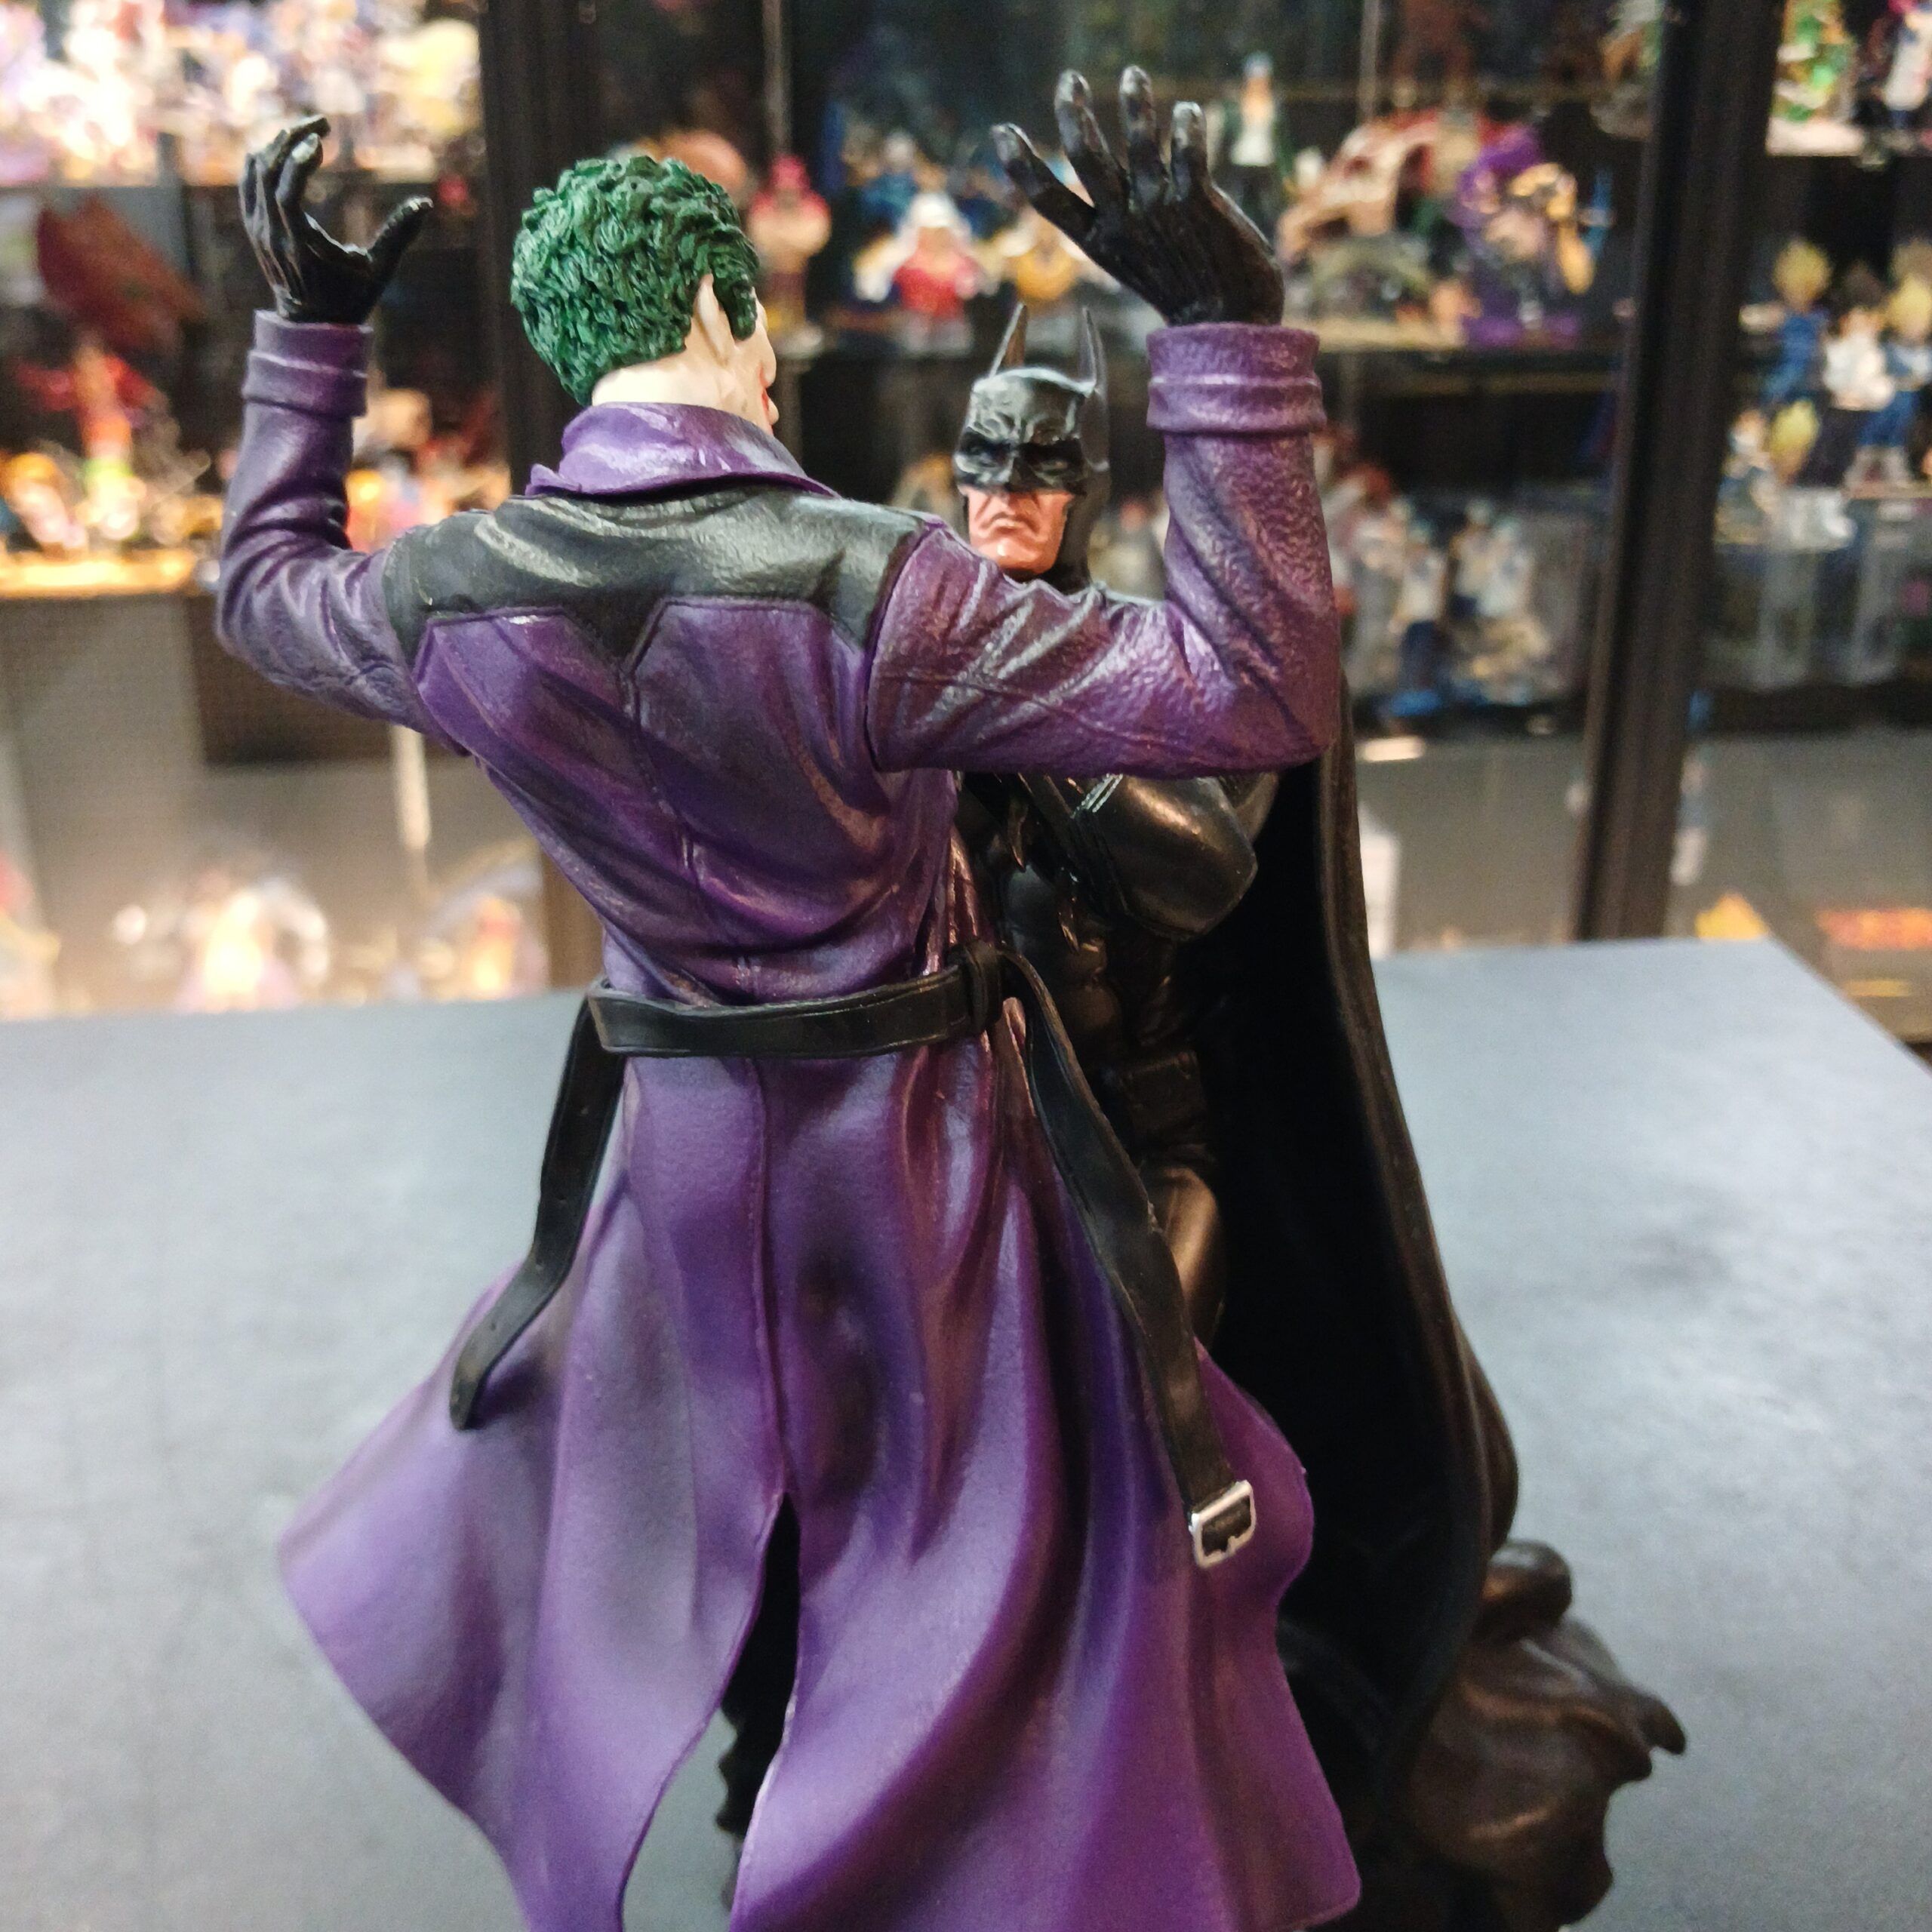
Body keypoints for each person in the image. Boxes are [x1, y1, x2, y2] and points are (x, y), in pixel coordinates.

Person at [217, 69, 1357, 1932]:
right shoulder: (870, 586)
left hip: (673, 1163)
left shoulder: (453, 591)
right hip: (918, 1163)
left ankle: (782, 1807)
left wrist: (308, 344)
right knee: (985, 1570)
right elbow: (1254, 688)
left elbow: (262, 590)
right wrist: (1225, 340)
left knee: (721, 1534)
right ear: (724, 314)